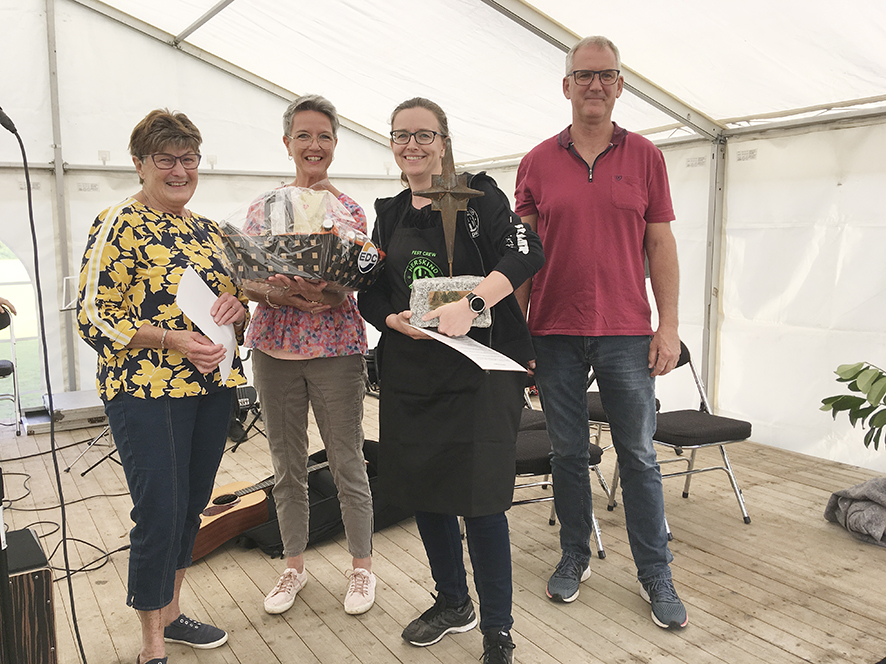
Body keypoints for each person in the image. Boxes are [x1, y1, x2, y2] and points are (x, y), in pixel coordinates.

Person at [359, 97, 544, 664]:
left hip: (480, 372)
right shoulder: (389, 212)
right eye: (402, 135)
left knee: (481, 501)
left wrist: (474, 302)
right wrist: (390, 320)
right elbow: (371, 291)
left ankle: (498, 630)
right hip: (413, 373)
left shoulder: (477, 195)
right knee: (427, 493)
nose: (412, 145)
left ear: (443, 140)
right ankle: (452, 602)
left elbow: (527, 252)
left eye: (424, 134)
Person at [514, 35, 688, 629]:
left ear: (619, 85)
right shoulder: (537, 161)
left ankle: (655, 571)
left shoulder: (646, 156)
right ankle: (574, 555)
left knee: (638, 455)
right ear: (566, 85)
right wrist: (518, 337)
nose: (595, 85)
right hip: (553, 332)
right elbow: (521, 257)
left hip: (626, 333)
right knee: (567, 453)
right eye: (584, 75)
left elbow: (660, 244)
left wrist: (668, 325)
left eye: (606, 75)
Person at [77, 109, 250, 664]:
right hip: (145, 391)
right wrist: (170, 339)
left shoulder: (211, 231)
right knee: (160, 509)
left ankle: (172, 615)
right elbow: (93, 317)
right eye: (165, 159)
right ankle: (151, 643)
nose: (179, 170)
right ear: (139, 164)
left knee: (191, 505)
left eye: (189, 159)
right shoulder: (117, 222)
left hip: (211, 388)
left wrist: (238, 308)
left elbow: (232, 304)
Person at [241, 94, 376, 617]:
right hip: (275, 349)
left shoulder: (351, 211)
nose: (313, 145)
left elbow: (360, 277)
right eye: (303, 136)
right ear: (287, 143)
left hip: (336, 348)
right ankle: (293, 564)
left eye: (323, 136)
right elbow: (245, 277)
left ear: (335, 143)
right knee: (286, 465)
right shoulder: (264, 207)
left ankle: (361, 567)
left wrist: (334, 291)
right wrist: (278, 294)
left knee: (348, 461)